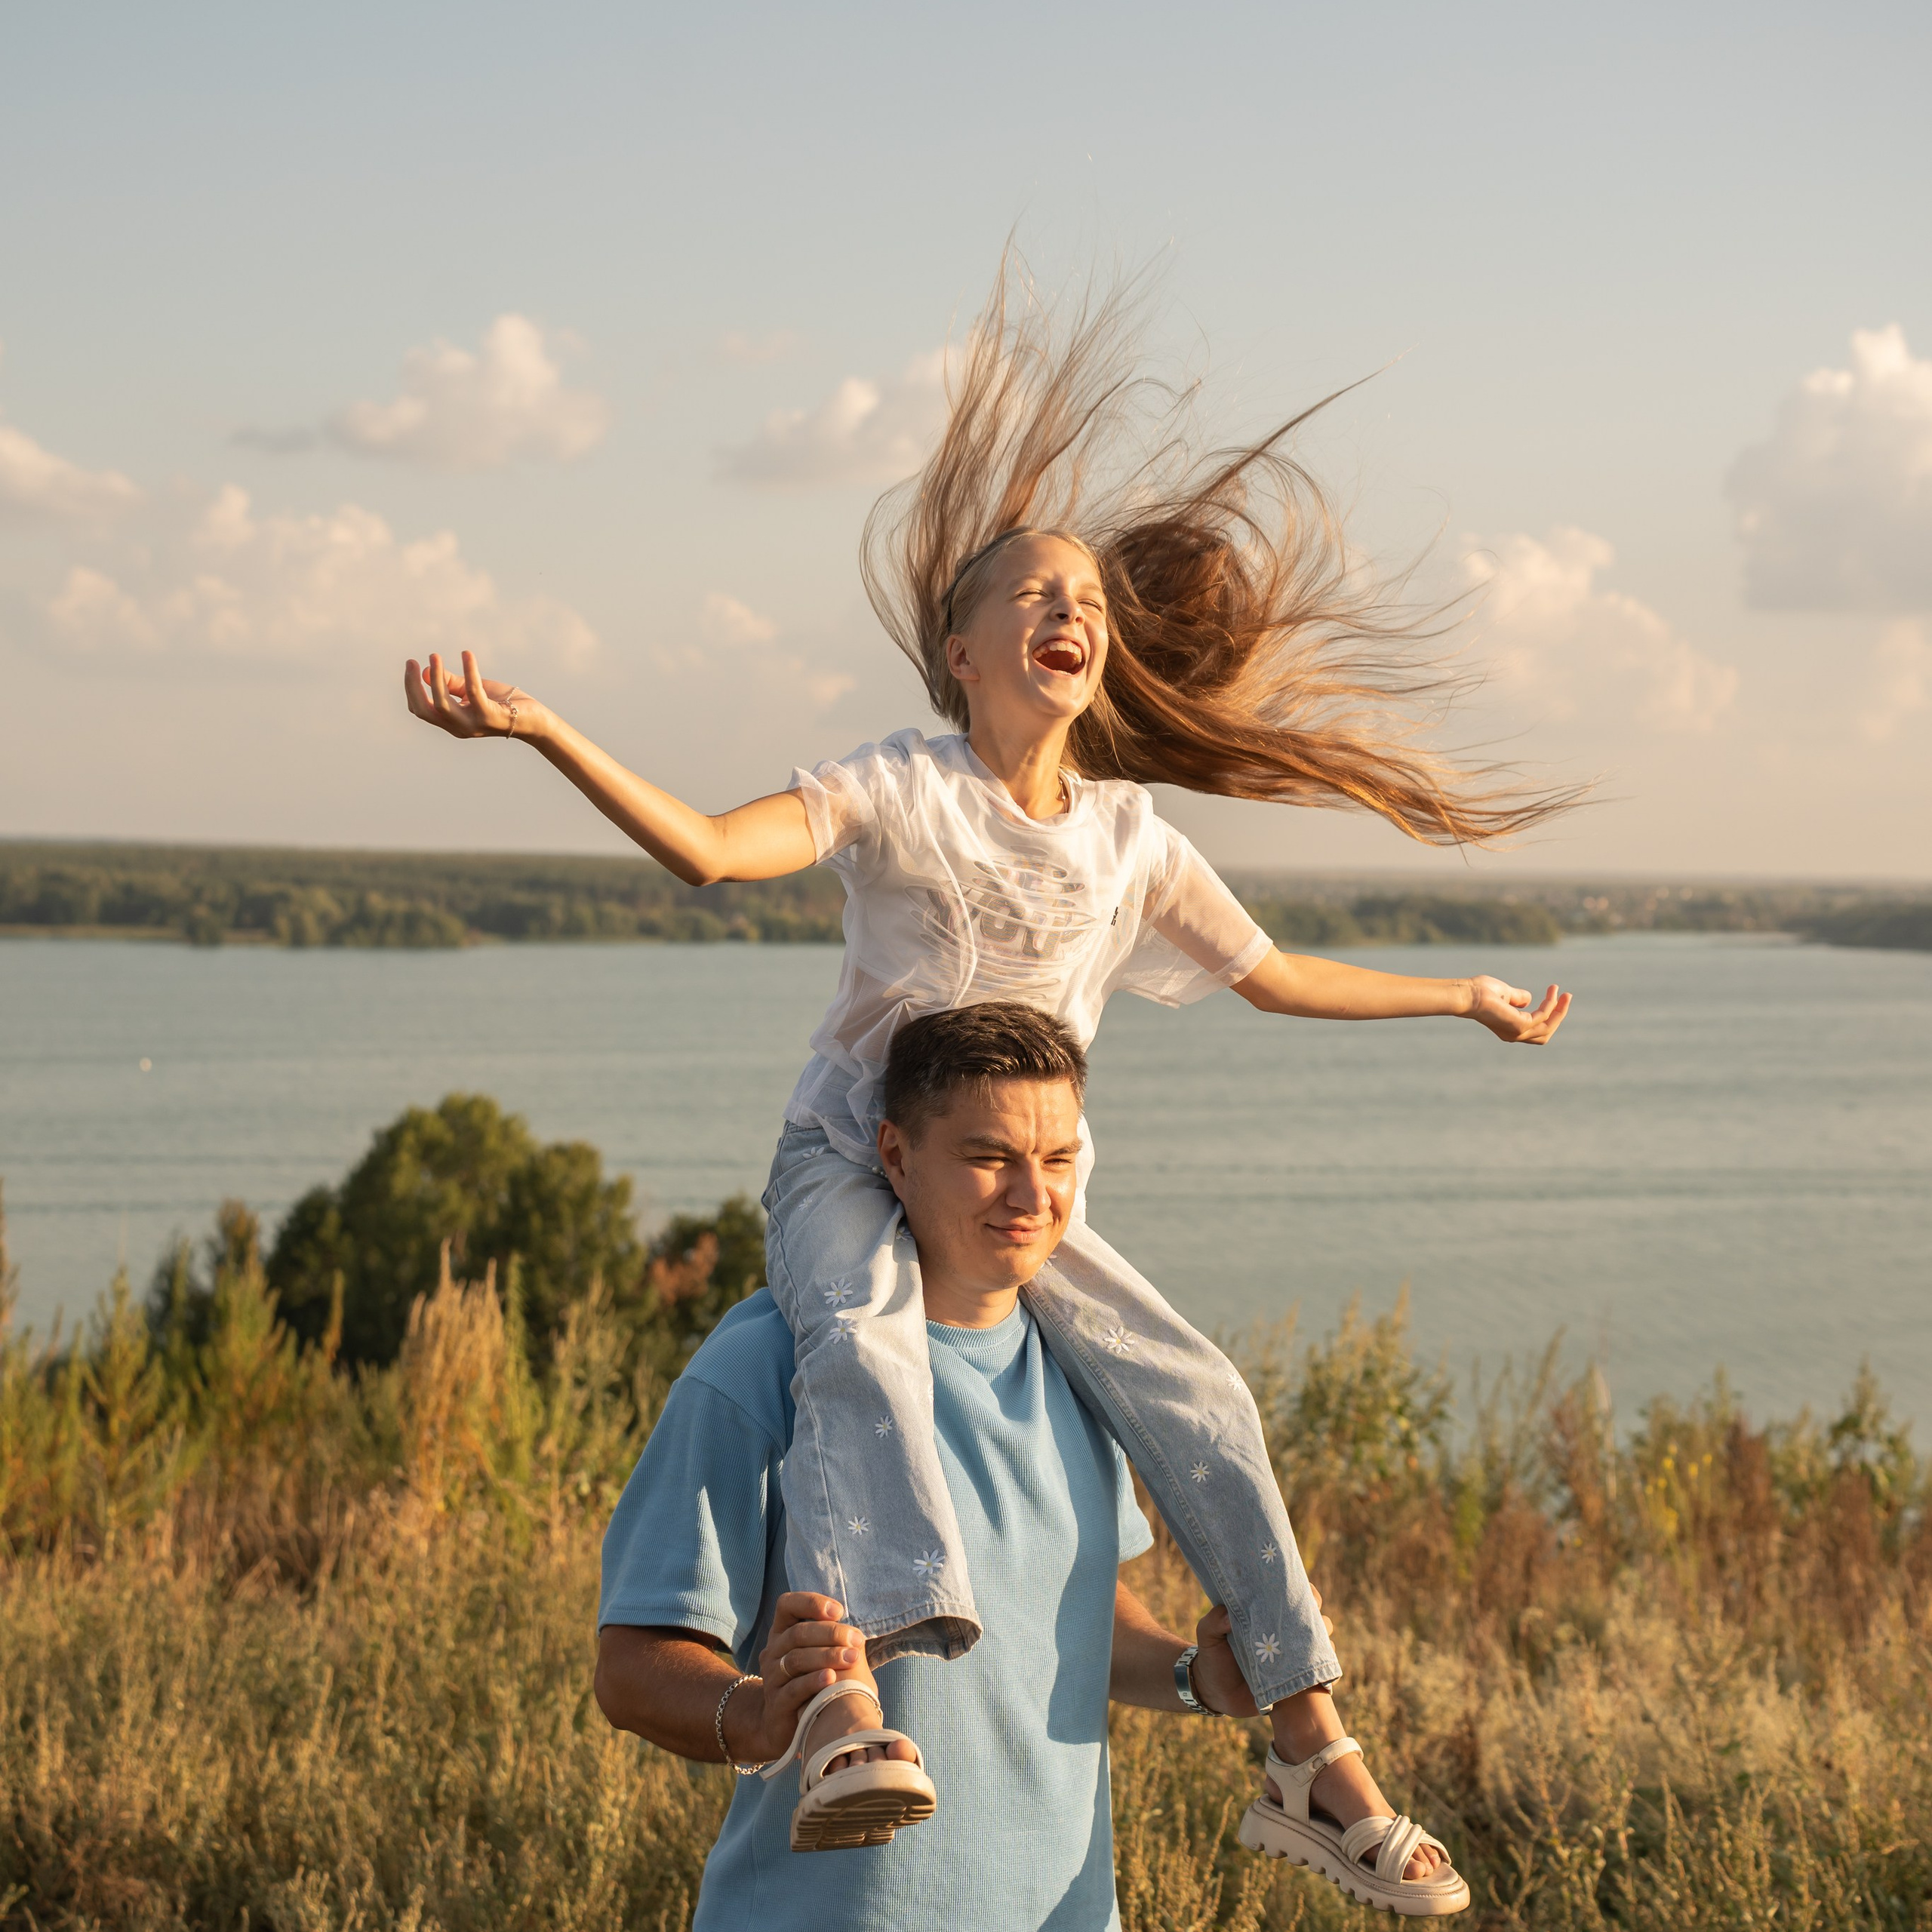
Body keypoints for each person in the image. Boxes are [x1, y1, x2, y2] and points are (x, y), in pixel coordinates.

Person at [404, 265, 1573, 1899]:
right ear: (957, 649)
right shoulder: (895, 786)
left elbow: (1280, 974)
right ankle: (844, 1718)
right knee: (864, 1355)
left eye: (1081, 590)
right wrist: (540, 728)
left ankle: (1311, 1756)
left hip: (1007, 1171)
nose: (1065, 604)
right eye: (1025, 590)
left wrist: (1460, 994)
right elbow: (705, 855)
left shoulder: (1127, 836)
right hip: (856, 1157)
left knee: (1203, 1396)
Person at [594, 1004, 1469, 1926]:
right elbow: (632, 1664)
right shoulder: (767, 1363)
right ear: (894, 1154)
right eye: (988, 1157)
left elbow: (1063, 1623)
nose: (1030, 1195)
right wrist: (759, 1716)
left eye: (1056, 1161)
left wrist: (1193, 1677)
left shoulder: (1085, 1368)